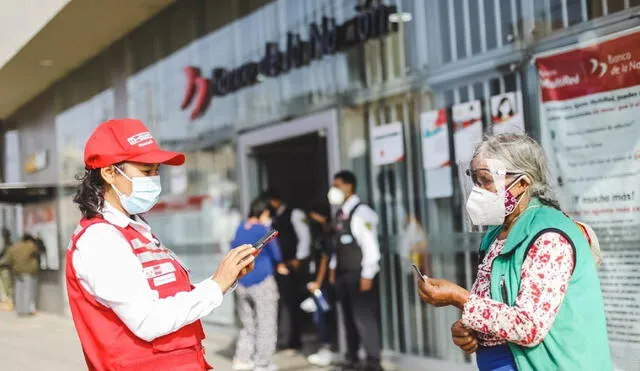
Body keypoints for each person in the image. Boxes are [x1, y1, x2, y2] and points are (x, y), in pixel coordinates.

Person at [66, 118, 256, 370]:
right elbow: (148, 320)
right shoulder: (100, 240)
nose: (154, 179)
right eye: (146, 172)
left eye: (157, 170)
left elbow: (169, 298)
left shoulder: (135, 230)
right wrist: (215, 285)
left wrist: (224, 281)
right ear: (109, 172)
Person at [416, 133, 611, 371]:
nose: (477, 190)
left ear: (522, 184)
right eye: (475, 180)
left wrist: (460, 298)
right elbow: (498, 307)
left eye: (486, 180)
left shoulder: (548, 237)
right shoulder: (497, 234)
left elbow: (528, 326)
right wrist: (469, 329)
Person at [327, 171, 382, 371]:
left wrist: (367, 275)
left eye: (338, 185)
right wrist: (333, 268)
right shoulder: (340, 213)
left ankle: (373, 360)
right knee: (348, 317)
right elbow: (336, 245)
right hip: (343, 274)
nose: (334, 190)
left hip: (359, 273)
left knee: (364, 316)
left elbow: (371, 248)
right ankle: (352, 358)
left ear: (349, 186)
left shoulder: (362, 212)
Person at [230, 198, 289, 371]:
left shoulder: (240, 227)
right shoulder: (264, 230)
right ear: (264, 213)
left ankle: (242, 359)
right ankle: (262, 363)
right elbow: (276, 254)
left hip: (241, 282)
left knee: (247, 324)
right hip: (262, 281)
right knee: (266, 323)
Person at [262, 189, 311, 352]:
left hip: (292, 265)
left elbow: (304, 237)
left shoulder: (294, 214)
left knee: (292, 303)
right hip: (279, 266)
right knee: (283, 302)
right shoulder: (272, 218)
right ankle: (284, 338)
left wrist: (299, 259)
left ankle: (294, 340)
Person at [305, 207, 338, 367]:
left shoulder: (327, 235)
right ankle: (327, 347)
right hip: (319, 282)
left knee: (322, 316)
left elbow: (325, 260)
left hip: (324, 284)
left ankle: (328, 348)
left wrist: (318, 282)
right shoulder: (318, 234)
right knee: (319, 315)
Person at [1, 233, 40, 316]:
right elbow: (39, 250)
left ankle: (20, 310)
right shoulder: (31, 245)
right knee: (28, 292)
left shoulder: (15, 247)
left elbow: (9, 259)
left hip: (17, 272)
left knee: (19, 292)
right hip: (28, 272)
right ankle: (26, 311)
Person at [0, 228, 13, 311]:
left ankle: (8, 303)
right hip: (3, 266)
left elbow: (8, 256)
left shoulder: (8, 245)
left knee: (7, 285)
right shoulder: (4, 244)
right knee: (3, 286)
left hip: (6, 267)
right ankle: (5, 302)